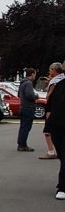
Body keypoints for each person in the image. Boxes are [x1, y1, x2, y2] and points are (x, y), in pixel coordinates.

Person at [44, 64, 65, 199]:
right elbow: (50, 104)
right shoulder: (59, 84)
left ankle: (62, 186)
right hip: (58, 126)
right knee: (63, 155)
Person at [40, 62, 63, 159]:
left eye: (50, 69)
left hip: (53, 109)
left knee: (48, 131)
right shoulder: (61, 79)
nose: (49, 71)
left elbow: (49, 96)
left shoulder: (55, 82)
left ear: (54, 70)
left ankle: (51, 151)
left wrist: (48, 110)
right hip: (59, 110)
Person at [16, 67, 38, 151]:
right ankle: (23, 145)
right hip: (28, 107)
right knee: (26, 127)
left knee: (23, 126)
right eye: (35, 75)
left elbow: (19, 94)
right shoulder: (29, 83)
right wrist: (36, 96)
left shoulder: (22, 83)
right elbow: (29, 95)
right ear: (32, 74)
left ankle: (20, 143)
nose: (35, 76)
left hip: (22, 106)